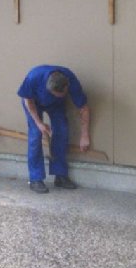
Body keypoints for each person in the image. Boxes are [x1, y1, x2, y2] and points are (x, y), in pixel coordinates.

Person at [18, 65, 90, 194]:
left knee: (62, 131)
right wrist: (39, 123)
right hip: (33, 104)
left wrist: (85, 135)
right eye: (55, 94)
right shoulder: (33, 77)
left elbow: (83, 108)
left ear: (67, 86)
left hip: (56, 106)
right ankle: (35, 179)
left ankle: (60, 175)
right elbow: (28, 100)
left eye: (61, 94)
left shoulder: (70, 79)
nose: (59, 95)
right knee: (35, 135)